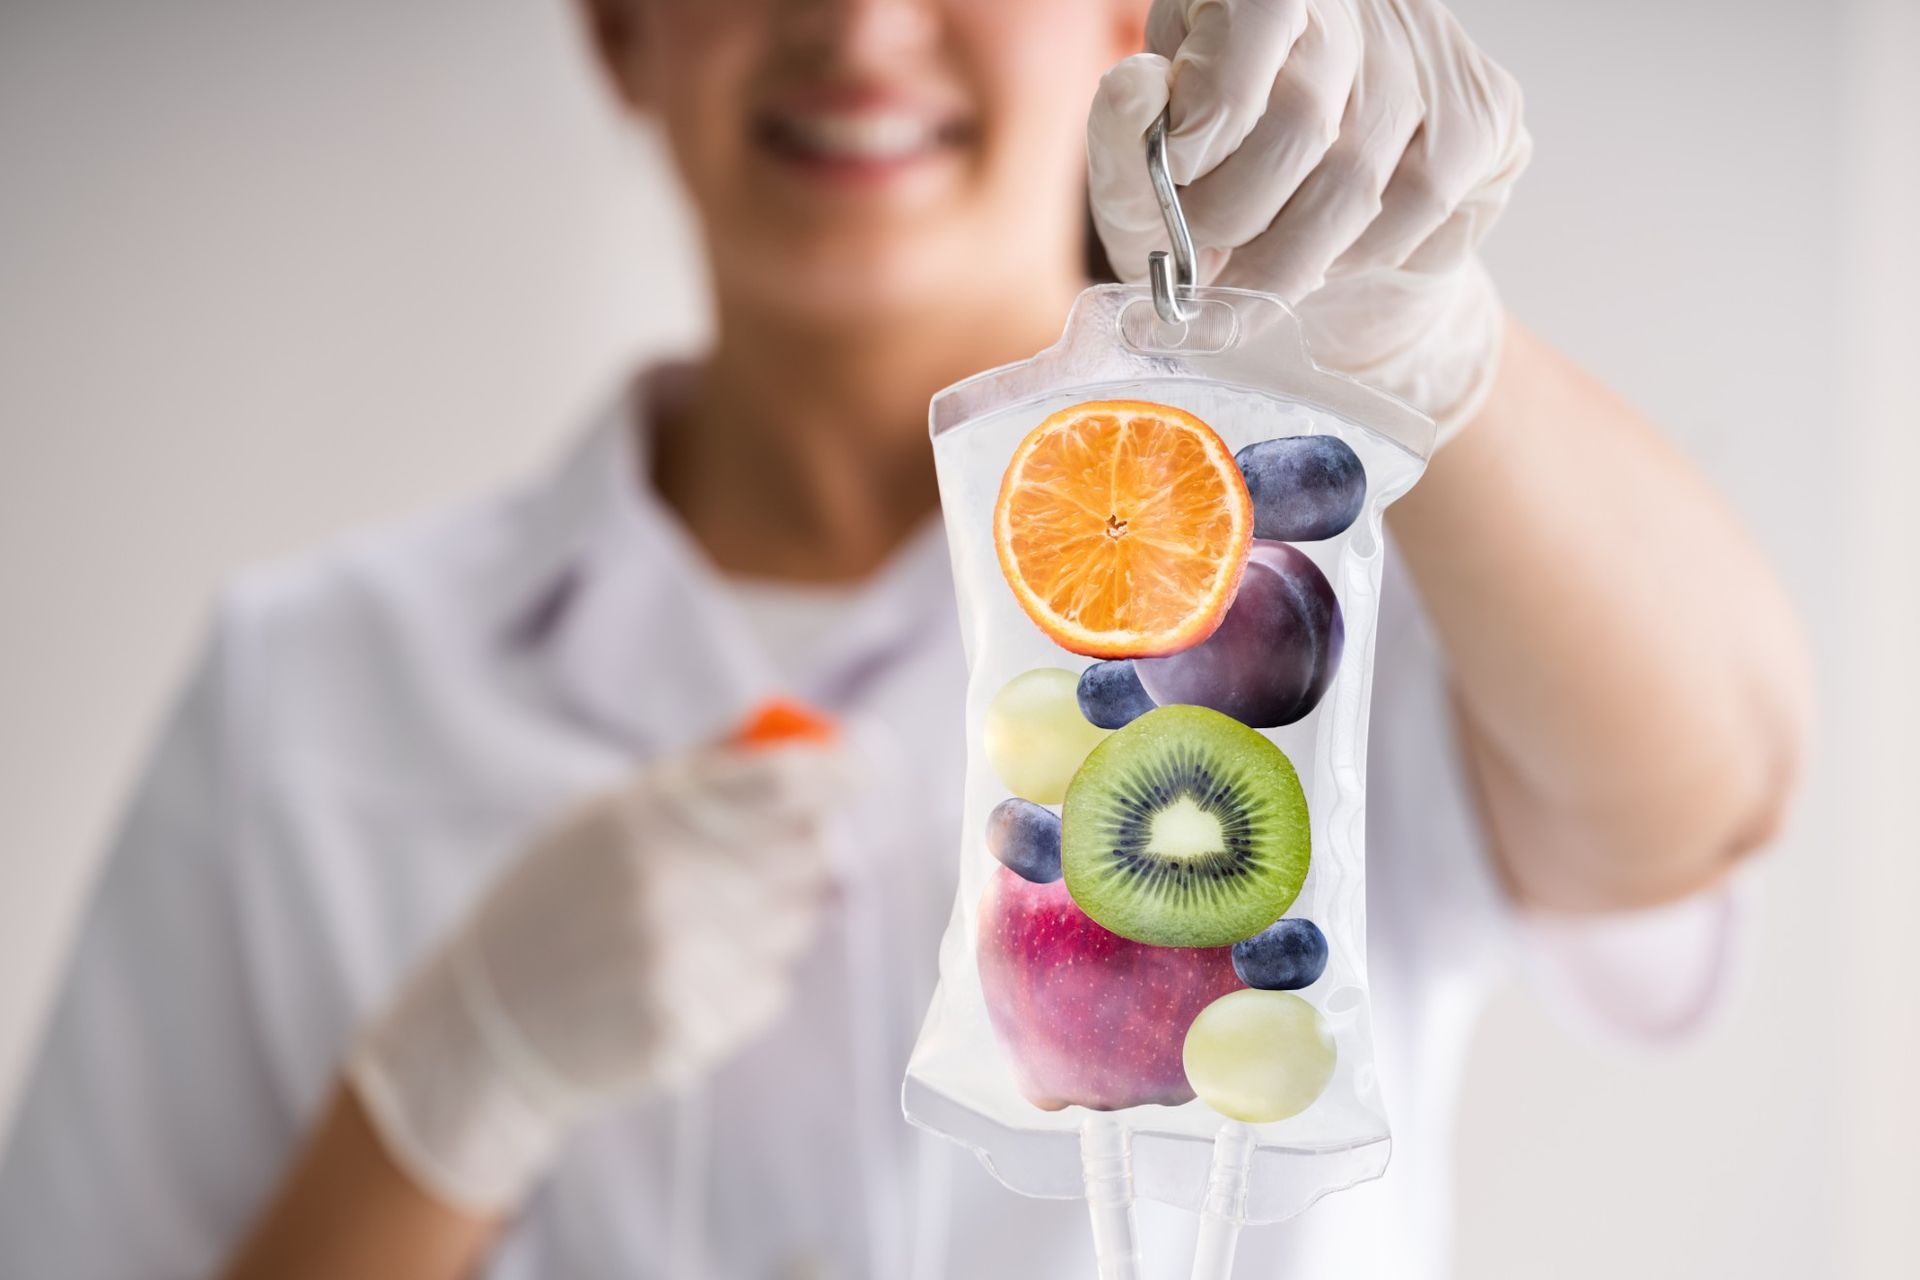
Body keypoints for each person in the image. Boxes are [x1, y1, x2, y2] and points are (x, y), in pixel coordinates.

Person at [0, 1, 1810, 1277]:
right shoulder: (313, 687)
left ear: (1131, 19)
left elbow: (1717, 795)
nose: (859, 22)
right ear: (620, 29)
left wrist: (1438, 357)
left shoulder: (1330, 585)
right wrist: (446, 1102)